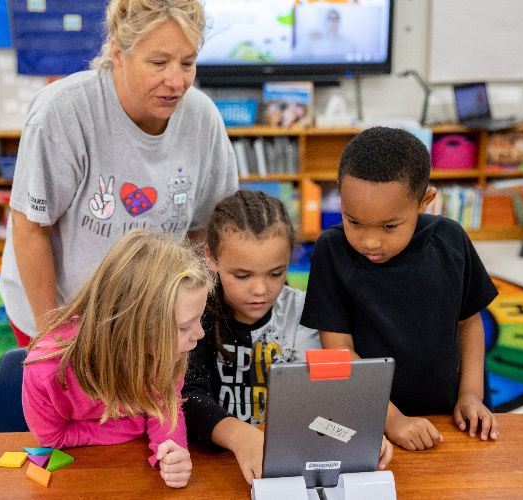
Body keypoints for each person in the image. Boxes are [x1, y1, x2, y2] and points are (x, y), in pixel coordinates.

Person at [0, 0, 238, 346]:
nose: (176, 81)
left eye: (187, 63)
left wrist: (199, 314)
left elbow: (204, 232)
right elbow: (30, 228)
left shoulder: (203, 118)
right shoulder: (63, 112)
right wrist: (51, 336)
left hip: (152, 313)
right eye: (158, 63)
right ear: (118, 53)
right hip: (61, 309)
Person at [301, 127, 500, 452]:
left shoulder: (451, 240)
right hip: (369, 421)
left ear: (425, 202)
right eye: (353, 221)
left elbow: (470, 322)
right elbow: (337, 353)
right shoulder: (331, 251)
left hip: (449, 416)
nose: (370, 241)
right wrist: (392, 420)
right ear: (340, 193)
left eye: (390, 226)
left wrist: (471, 396)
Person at [182, 191, 390, 484]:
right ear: (211, 258)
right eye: (242, 275)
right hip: (211, 465)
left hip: (288, 462)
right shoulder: (194, 312)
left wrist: (354, 432)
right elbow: (186, 396)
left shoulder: (303, 312)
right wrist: (240, 436)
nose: (260, 289)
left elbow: (325, 396)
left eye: (275, 273)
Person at [22, 230, 212, 488]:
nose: (199, 334)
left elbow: (165, 408)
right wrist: (135, 425)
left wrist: (172, 452)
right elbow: (53, 438)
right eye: (184, 327)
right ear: (134, 330)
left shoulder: (165, 352)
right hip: (78, 481)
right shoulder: (45, 370)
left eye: (199, 319)